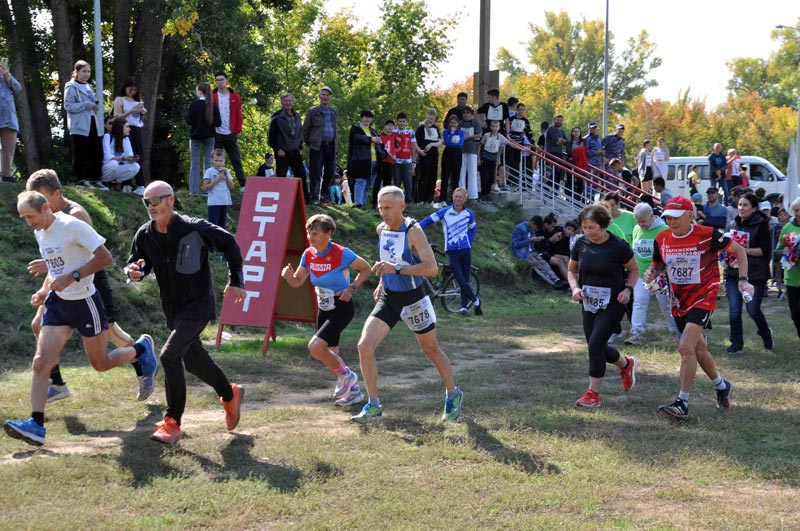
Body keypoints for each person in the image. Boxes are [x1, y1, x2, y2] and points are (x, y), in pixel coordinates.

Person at [4, 191, 158, 446]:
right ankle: (36, 425)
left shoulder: (72, 225)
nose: (28, 222)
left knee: (101, 363)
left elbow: (105, 258)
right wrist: (44, 289)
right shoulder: (40, 231)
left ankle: (140, 350)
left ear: (45, 207)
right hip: (58, 303)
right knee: (41, 361)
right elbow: (56, 266)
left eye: (30, 216)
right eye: (23, 218)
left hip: (85, 302)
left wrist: (72, 277)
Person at [125, 181, 246, 444]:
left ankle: (172, 421)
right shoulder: (145, 234)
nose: (150, 207)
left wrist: (236, 279)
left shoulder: (194, 227)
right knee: (192, 361)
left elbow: (229, 243)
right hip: (173, 309)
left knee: (169, 356)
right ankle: (229, 394)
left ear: (169, 200)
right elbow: (137, 262)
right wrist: (134, 271)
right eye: (145, 202)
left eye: (154, 201)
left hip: (198, 305)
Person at [25, 169, 148, 403]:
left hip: (91, 283)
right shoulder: (44, 221)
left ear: (57, 193)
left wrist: (63, 269)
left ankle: (142, 360)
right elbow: (59, 260)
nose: (38, 204)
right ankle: (57, 383)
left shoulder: (75, 215)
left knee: (112, 337)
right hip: (64, 284)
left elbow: (93, 257)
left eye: (41, 198)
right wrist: (45, 286)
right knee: (38, 323)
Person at [352, 186, 464, 423]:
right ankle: (373, 404)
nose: (383, 213)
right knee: (364, 345)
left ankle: (453, 395)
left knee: (431, 350)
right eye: (381, 207)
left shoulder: (414, 232)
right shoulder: (380, 229)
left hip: (413, 298)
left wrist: (398, 269)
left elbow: (432, 269)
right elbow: (387, 258)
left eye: (388, 208)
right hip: (389, 297)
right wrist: (383, 280)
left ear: (401, 206)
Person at [644, 196, 752, 419]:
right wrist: (651, 273)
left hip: (704, 296)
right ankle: (722, 386)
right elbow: (657, 264)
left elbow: (739, 250)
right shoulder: (661, 238)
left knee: (685, 347)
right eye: (667, 218)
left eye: (676, 217)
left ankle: (682, 402)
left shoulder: (708, 234)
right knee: (699, 349)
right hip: (678, 300)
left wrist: (743, 279)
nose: (671, 222)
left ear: (690, 215)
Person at [281, 214, 371, 407]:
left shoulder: (341, 253)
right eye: (308, 233)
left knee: (315, 347)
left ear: (328, 233)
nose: (310, 238)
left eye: (315, 233)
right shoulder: (308, 254)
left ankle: (348, 376)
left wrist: (351, 287)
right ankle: (353, 393)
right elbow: (297, 282)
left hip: (341, 307)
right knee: (331, 355)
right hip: (324, 307)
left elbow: (366, 268)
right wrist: (289, 277)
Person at [568, 204, 639, 409]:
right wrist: (574, 288)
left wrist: (627, 290)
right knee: (595, 345)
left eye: (592, 228)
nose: (588, 232)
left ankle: (593, 394)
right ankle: (626, 364)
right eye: (585, 227)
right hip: (589, 302)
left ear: (603, 225)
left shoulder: (618, 246)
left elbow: (634, 271)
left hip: (614, 302)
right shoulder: (580, 243)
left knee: (596, 343)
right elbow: (572, 270)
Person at [723, 192, 775, 353]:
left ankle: (766, 334)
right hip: (733, 273)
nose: (741, 208)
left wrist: (743, 250)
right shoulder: (732, 224)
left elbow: (765, 251)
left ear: (753, 208)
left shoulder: (761, 224)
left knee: (752, 310)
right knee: (734, 311)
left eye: (745, 205)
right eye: (739, 205)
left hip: (755, 274)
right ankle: (736, 344)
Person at [419, 187, 481, 315]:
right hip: (452, 251)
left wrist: (469, 241)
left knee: (465, 278)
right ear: (452, 197)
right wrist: (414, 229)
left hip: (465, 250)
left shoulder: (469, 213)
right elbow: (428, 220)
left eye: (460, 197)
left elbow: (473, 228)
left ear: (465, 199)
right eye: (455, 196)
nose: (457, 199)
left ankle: (464, 307)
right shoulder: (445, 212)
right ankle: (476, 301)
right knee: (460, 278)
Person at [625, 203, 680, 345]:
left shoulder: (663, 230)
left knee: (666, 304)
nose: (640, 224)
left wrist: (658, 271)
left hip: (659, 275)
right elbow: (635, 250)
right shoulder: (637, 229)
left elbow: (669, 253)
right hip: (641, 273)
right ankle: (635, 333)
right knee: (639, 302)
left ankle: (676, 330)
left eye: (643, 221)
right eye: (638, 221)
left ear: (651, 216)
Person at [64, 60, 105, 189]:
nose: (86, 74)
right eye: (84, 71)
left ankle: (95, 179)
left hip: (92, 122)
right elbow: (68, 106)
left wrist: (95, 104)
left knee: (97, 150)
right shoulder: (71, 86)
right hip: (80, 125)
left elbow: (93, 104)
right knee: (81, 152)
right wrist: (87, 105)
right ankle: (81, 179)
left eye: (88, 71)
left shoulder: (88, 86)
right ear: (76, 72)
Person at [268, 92, 309, 202]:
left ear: (293, 102)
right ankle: (279, 199)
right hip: (282, 152)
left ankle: (304, 199)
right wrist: (278, 149)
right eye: (285, 101)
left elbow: (300, 132)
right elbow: (271, 136)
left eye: (290, 100)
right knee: (281, 176)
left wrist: (299, 147)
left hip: (295, 150)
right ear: (282, 102)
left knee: (301, 175)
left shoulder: (297, 116)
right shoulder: (276, 117)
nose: (288, 103)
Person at [510, 215, 569, 290]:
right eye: (535, 228)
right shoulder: (519, 228)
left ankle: (557, 280)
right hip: (522, 252)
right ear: (532, 223)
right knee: (536, 264)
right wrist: (530, 240)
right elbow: (515, 244)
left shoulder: (532, 230)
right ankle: (554, 283)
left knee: (544, 263)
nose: (535, 230)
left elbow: (533, 244)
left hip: (532, 251)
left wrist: (538, 239)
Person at [112, 77, 147, 194]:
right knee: (127, 154)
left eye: (135, 90)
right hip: (124, 128)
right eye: (130, 89)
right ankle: (125, 183)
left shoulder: (137, 99)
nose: (132, 92)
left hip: (136, 129)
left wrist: (142, 112)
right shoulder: (120, 99)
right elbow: (116, 117)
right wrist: (131, 111)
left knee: (138, 155)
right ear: (125, 88)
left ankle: (140, 184)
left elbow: (142, 118)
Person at [303, 86, 338, 203]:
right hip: (317, 145)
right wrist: (311, 142)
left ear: (331, 97)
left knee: (330, 171)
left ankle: (325, 196)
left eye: (328, 95)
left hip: (331, 145)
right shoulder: (313, 111)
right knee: (315, 172)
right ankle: (314, 196)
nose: (325, 97)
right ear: (319, 96)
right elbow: (305, 130)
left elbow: (334, 129)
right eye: (323, 94)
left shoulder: (333, 112)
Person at [212, 72, 245, 189]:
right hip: (216, 133)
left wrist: (237, 129)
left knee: (236, 159)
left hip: (231, 133)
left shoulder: (235, 96)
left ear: (226, 81)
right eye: (217, 80)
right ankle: (216, 184)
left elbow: (238, 114)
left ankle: (243, 184)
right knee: (216, 161)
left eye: (222, 80)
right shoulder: (212, 96)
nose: (220, 82)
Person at [186, 82, 220, 195]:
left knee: (194, 164)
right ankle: (207, 189)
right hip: (209, 136)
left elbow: (189, 121)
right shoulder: (213, 106)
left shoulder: (195, 105)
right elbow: (218, 123)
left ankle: (194, 190)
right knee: (209, 164)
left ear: (200, 91)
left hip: (195, 136)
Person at [775, 197, 800, 339]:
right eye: (796, 210)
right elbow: (777, 252)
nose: (798, 213)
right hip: (791, 279)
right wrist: (784, 252)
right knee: (795, 314)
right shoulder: (787, 228)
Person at [348, 109, 382, 208]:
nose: (368, 119)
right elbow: (357, 138)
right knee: (360, 181)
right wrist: (371, 139)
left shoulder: (373, 131)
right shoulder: (355, 129)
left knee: (368, 185)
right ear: (361, 118)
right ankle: (358, 204)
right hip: (360, 160)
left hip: (374, 160)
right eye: (366, 117)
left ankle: (363, 205)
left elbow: (379, 144)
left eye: (370, 118)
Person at [101, 117, 141, 186]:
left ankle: (115, 183)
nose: (129, 129)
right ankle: (104, 182)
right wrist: (123, 158)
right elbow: (107, 157)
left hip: (117, 167)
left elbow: (129, 156)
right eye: (127, 127)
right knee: (113, 163)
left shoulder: (126, 139)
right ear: (120, 127)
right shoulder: (108, 136)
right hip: (106, 167)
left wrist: (132, 159)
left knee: (136, 166)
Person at [0, 60, 23, 182]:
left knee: (8, 148)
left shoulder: (5, 73)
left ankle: (6, 175)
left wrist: (7, 76)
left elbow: (18, 88)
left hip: (8, 116)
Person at [202, 149, 234, 230]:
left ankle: (220, 241)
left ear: (224, 161)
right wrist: (217, 180)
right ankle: (212, 241)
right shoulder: (209, 171)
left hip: (225, 201)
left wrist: (226, 176)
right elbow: (205, 187)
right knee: (213, 225)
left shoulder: (226, 171)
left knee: (222, 226)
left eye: (221, 161)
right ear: (212, 160)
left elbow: (231, 186)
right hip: (214, 202)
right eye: (216, 160)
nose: (218, 163)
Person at [415, 108, 442, 204]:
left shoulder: (436, 128)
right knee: (423, 176)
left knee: (433, 176)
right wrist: (420, 151)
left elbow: (440, 142)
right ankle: (420, 198)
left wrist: (431, 145)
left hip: (434, 154)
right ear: (427, 115)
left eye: (433, 115)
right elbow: (415, 142)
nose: (431, 117)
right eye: (429, 114)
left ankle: (430, 198)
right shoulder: (421, 128)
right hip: (424, 155)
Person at [392, 112, 417, 203]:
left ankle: (409, 201)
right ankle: (396, 201)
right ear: (397, 122)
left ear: (406, 122)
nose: (402, 123)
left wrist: (413, 162)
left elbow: (413, 147)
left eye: (403, 121)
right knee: (396, 182)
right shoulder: (393, 132)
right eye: (400, 121)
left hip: (407, 160)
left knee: (408, 182)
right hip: (396, 161)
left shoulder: (410, 132)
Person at [459, 107, 482, 200]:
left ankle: (473, 196)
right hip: (461, 150)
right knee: (461, 172)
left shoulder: (475, 123)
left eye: (468, 113)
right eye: (464, 113)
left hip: (472, 150)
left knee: (472, 173)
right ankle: (461, 194)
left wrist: (467, 137)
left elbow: (479, 134)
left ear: (471, 114)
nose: (466, 114)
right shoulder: (460, 123)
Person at [440, 115, 464, 204]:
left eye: (455, 123)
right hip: (447, 154)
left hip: (457, 154)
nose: (453, 125)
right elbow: (447, 143)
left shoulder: (461, 132)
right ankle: (443, 199)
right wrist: (451, 134)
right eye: (451, 123)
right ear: (449, 123)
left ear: (458, 124)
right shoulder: (446, 132)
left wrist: (452, 140)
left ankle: (455, 199)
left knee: (455, 177)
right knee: (445, 176)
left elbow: (460, 144)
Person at [544, 114, 567, 192]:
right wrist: (561, 140)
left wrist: (562, 140)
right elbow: (557, 141)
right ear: (554, 120)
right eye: (557, 119)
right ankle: (546, 187)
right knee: (556, 170)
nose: (559, 121)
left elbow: (566, 142)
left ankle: (555, 190)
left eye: (560, 120)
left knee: (560, 172)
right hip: (551, 152)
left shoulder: (562, 131)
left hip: (559, 153)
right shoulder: (551, 128)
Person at [565, 126, 587, 200]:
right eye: (575, 131)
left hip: (580, 164)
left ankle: (577, 198)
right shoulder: (569, 142)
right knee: (569, 182)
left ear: (580, 133)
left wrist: (577, 150)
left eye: (578, 131)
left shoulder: (583, 142)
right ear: (572, 133)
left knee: (580, 183)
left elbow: (585, 153)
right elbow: (569, 153)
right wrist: (578, 149)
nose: (576, 133)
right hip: (570, 164)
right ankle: (569, 198)